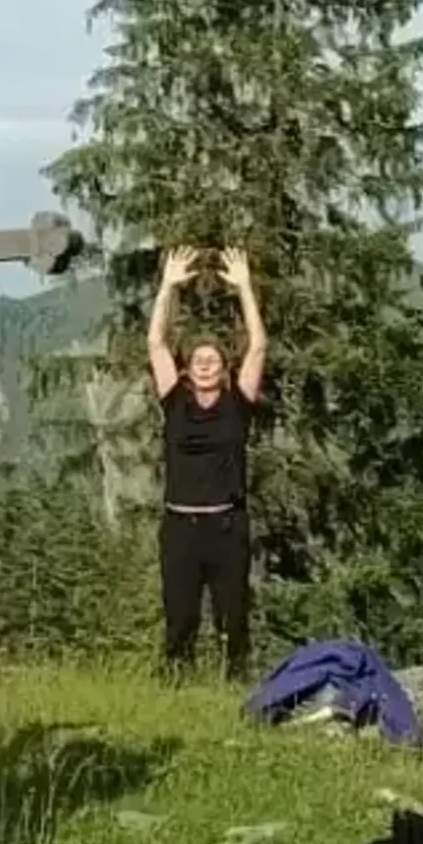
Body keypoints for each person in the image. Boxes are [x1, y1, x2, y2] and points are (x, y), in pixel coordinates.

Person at [145, 244, 268, 676]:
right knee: (180, 617)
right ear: (187, 368)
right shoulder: (174, 402)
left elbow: (257, 347)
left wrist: (245, 288)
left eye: (212, 359)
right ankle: (175, 683)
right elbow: (156, 342)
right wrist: (168, 286)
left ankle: (235, 685)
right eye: (197, 359)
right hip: (180, 526)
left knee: (233, 616)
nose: (204, 364)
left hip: (227, 526)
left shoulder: (238, 404)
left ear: (224, 369)